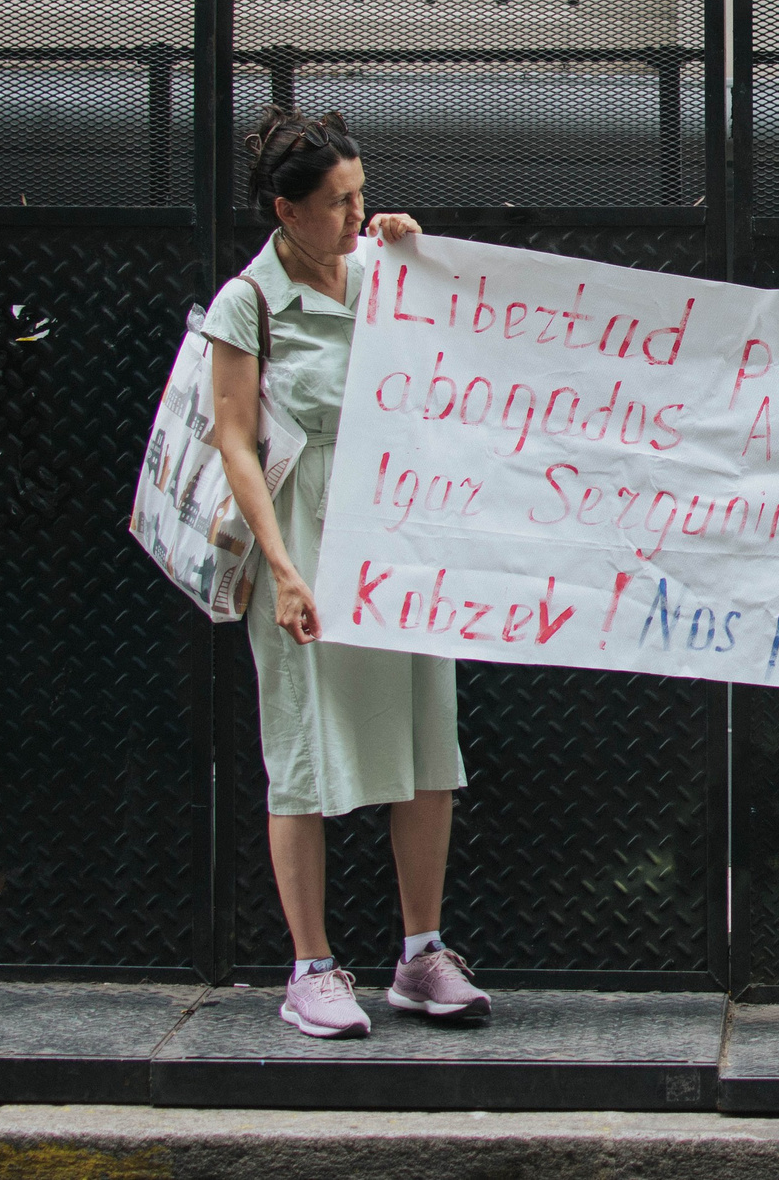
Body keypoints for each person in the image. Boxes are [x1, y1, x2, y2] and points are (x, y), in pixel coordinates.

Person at [208, 108, 486, 1040]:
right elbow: (236, 444)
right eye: (337, 202)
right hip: (307, 535)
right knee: (302, 750)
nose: (355, 212)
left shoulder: (378, 273)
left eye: (362, 192)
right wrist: (282, 570)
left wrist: (405, 247)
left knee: (425, 746)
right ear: (286, 210)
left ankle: (421, 953)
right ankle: (312, 966)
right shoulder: (246, 302)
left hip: (397, 531)